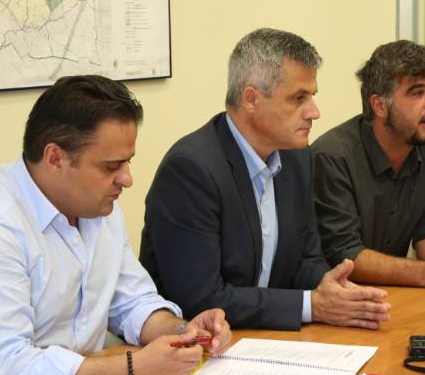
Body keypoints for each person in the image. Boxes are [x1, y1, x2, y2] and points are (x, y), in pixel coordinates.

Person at [0, 76, 231, 375]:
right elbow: (6, 371)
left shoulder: (99, 212)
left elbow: (132, 301)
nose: (127, 179)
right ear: (55, 158)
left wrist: (182, 330)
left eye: (128, 162)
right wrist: (132, 368)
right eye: (111, 166)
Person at [139, 28, 391, 331]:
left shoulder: (297, 157)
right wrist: (311, 306)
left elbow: (306, 258)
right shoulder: (191, 170)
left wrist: (330, 288)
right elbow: (201, 300)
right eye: (298, 98)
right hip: (199, 344)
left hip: (270, 337)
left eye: (312, 96)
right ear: (251, 99)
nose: (314, 112)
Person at [311, 40, 425, 291]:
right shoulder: (332, 156)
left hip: (397, 295)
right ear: (380, 106)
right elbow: (345, 254)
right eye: (417, 93)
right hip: (338, 296)